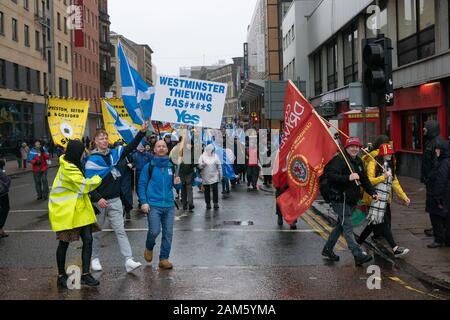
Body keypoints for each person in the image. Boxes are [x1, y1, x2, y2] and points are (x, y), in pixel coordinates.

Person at [84, 123, 148, 273]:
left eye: (106, 138)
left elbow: (130, 147)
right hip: (99, 202)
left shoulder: (115, 153)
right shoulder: (92, 160)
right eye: (101, 138)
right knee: (97, 232)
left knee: (120, 230)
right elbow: (87, 184)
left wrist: (141, 133)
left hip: (115, 200)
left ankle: (128, 260)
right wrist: (97, 197)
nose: (105, 140)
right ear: (95, 141)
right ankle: (94, 258)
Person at [48, 140, 102, 288]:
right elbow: (84, 186)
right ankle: (61, 275)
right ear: (76, 153)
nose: (83, 154)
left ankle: (85, 274)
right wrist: (99, 176)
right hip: (67, 212)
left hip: (80, 210)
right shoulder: (69, 168)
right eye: (81, 152)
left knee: (88, 240)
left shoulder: (73, 163)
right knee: (64, 243)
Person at [322, 137, 378, 266]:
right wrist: (348, 177)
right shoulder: (339, 160)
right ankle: (357, 254)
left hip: (351, 200)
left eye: (357, 147)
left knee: (340, 226)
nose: (354, 149)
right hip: (340, 199)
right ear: (346, 148)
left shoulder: (358, 161)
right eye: (351, 147)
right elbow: (330, 176)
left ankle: (327, 249)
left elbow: (364, 179)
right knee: (347, 227)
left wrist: (373, 193)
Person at [358, 143, 411, 257]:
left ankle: (356, 245)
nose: (390, 155)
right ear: (382, 154)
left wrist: (404, 197)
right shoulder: (373, 163)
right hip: (375, 198)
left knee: (373, 224)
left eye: (391, 153)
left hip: (384, 199)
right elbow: (369, 181)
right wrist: (384, 177)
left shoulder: (390, 166)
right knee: (383, 223)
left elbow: (395, 182)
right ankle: (395, 248)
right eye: (388, 153)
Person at [138, 140, 180, 269]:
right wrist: (144, 202)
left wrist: (178, 183)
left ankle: (164, 259)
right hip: (153, 205)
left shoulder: (171, 167)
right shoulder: (148, 167)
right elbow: (141, 185)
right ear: (154, 150)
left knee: (168, 233)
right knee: (154, 231)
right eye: (158, 146)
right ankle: (149, 247)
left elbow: (177, 186)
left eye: (163, 146)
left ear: (167, 150)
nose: (161, 148)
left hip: (169, 205)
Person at [426, 140, 450, 248]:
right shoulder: (443, 161)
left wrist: (437, 196)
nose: (436, 151)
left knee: (436, 217)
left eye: (437, 149)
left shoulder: (444, 162)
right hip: (444, 194)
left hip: (441, 195)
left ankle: (439, 240)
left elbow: (441, 180)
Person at [422, 120, 443, 237]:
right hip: (430, 181)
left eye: (425, 127)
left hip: (434, 182)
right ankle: (436, 228)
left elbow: (436, 164)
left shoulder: (437, 142)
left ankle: (438, 231)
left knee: (435, 207)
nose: (423, 129)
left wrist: (430, 178)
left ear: (431, 128)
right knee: (432, 207)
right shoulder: (430, 142)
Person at [171, 137, 195, 212]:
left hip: (189, 173)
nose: (189, 146)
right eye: (188, 144)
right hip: (181, 172)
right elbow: (172, 159)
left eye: (191, 144)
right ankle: (184, 204)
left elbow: (196, 161)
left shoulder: (193, 151)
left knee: (189, 187)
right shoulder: (179, 150)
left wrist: (192, 163)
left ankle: (190, 203)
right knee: (183, 188)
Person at [198, 144, 222, 210]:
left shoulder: (215, 156)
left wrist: (220, 175)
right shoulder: (202, 156)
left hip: (214, 177)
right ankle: (208, 203)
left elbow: (219, 166)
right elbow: (199, 166)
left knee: (215, 190)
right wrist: (203, 165)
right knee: (207, 191)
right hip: (205, 177)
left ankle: (215, 203)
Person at [132, 144, 153, 209]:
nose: (141, 148)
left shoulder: (148, 154)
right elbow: (133, 162)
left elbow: (152, 162)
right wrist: (133, 165)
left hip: (147, 173)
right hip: (138, 173)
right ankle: (141, 200)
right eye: (139, 147)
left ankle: (146, 199)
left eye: (142, 147)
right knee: (139, 187)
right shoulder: (134, 155)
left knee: (147, 186)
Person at [0, 160, 11, 238]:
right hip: (2, 193)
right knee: (4, 209)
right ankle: (0, 229)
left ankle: (1, 229)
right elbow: (6, 181)